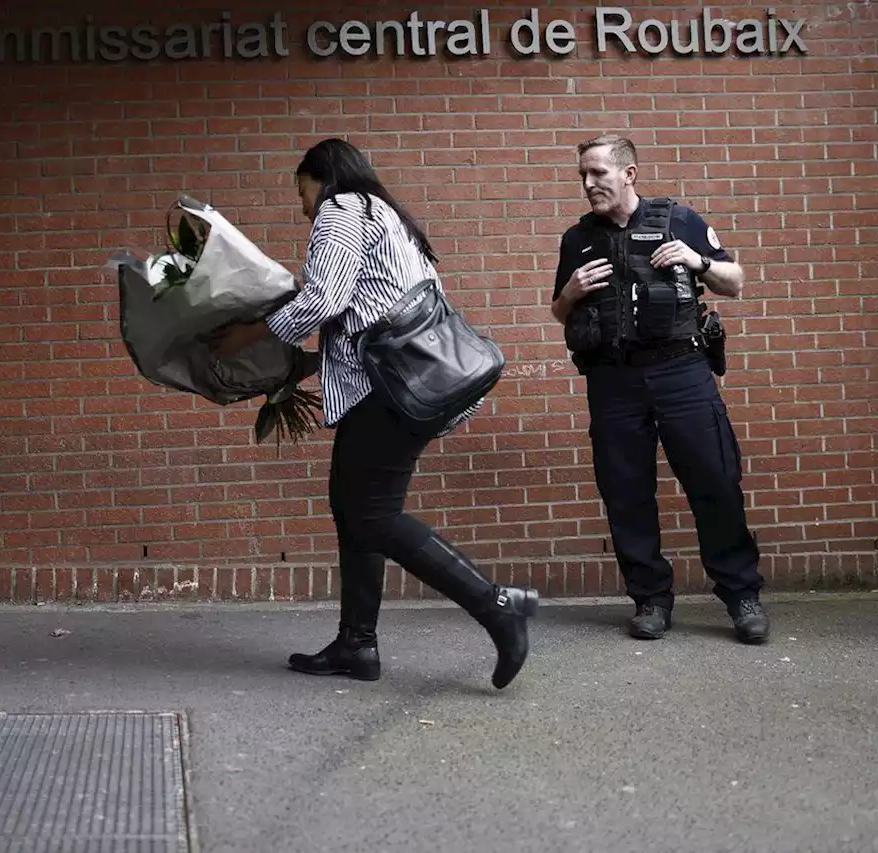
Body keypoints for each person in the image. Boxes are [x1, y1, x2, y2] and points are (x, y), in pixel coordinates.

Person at [214, 138, 539, 690]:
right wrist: (305, 365)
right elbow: (370, 312)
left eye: (302, 192)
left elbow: (324, 299)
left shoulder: (343, 209)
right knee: (352, 508)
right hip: (398, 383)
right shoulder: (386, 215)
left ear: (323, 177)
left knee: (373, 515)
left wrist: (251, 338)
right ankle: (356, 644)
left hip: (385, 391)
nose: (303, 207)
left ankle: (498, 607)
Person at [550, 133, 770, 644]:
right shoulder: (577, 239)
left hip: (681, 372)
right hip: (613, 379)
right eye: (582, 174)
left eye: (597, 173)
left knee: (715, 480)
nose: (588, 184)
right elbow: (561, 314)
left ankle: (741, 595)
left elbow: (734, 282)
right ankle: (650, 599)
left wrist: (698, 263)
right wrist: (570, 291)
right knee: (625, 492)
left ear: (628, 173)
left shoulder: (680, 219)